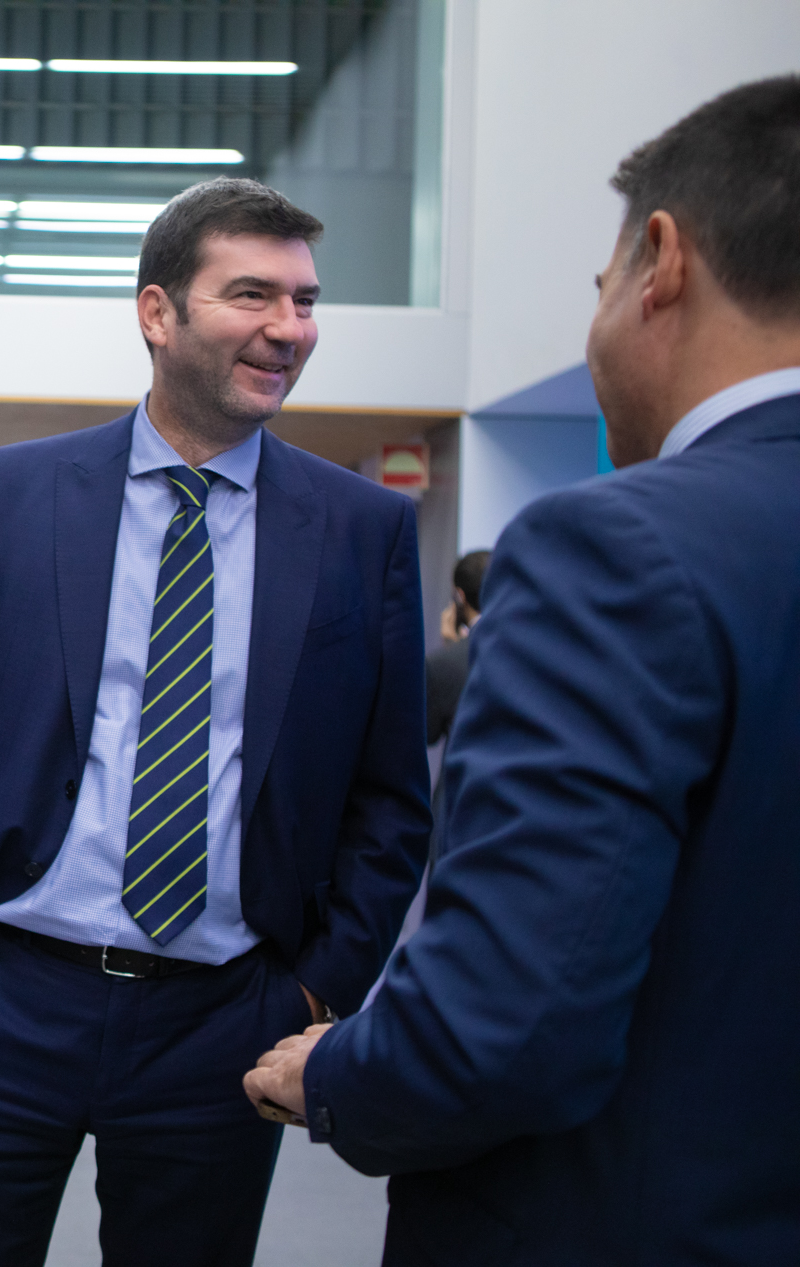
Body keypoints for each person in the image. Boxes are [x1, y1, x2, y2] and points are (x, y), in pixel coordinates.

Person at [244, 77, 800, 1265]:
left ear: (661, 261)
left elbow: (507, 1025)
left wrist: (335, 1069)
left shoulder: (617, 547)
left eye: (595, 287)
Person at [0, 178, 431, 1266]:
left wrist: (314, 987)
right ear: (157, 312)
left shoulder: (363, 531)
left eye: (306, 302)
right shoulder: (19, 490)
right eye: (252, 295)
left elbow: (388, 791)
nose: (289, 329)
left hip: (223, 1021)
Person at [424, 549, 490, 748]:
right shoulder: (533, 645)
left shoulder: (443, 664)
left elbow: (429, 733)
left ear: (460, 596)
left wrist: (452, 651)